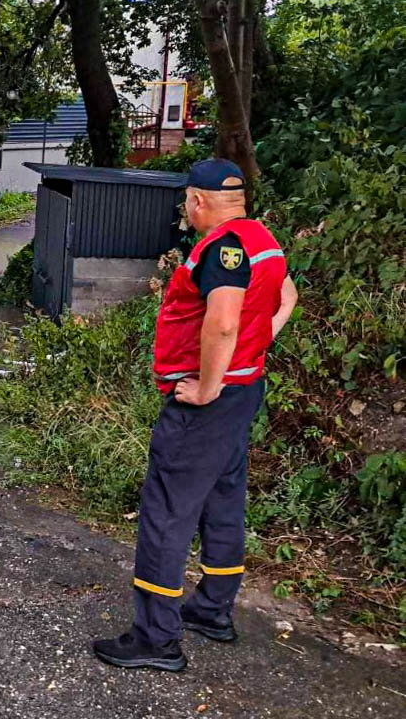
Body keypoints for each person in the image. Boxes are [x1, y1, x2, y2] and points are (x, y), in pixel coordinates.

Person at [93, 158, 298, 671]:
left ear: (199, 201)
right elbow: (286, 296)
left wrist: (207, 387)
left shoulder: (222, 248)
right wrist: (255, 347)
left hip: (210, 404)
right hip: (243, 391)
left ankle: (156, 639)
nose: (186, 210)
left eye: (187, 201)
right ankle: (211, 610)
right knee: (222, 499)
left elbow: (224, 322)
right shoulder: (261, 238)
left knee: (167, 510)